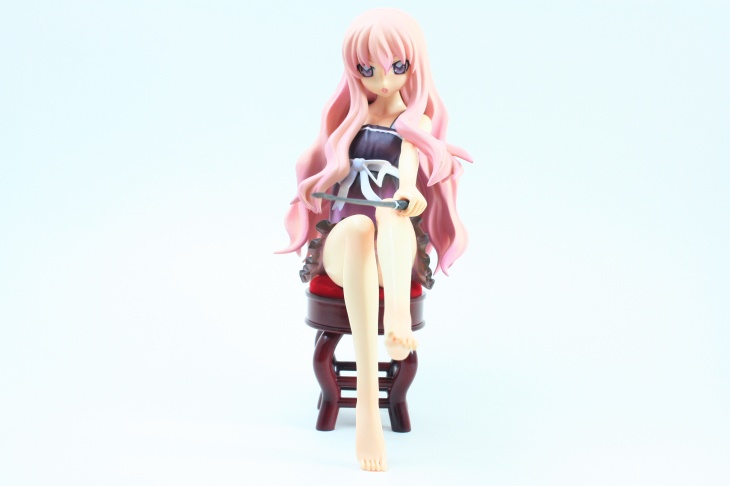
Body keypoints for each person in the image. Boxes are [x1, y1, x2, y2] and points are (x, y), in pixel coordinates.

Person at [278, 8, 472, 472]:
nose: (383, 82)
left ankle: (397, 314)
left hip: (393, 251)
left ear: (413, 65)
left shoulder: (415, 123)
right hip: (343, 246)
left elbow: (408, 170)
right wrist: (312, 178)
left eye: (396, 67)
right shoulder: (348, 120)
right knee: (361, 226)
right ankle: (368, 404)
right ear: (354, 70)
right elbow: (321, 167)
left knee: (388, 217)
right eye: (368, 70)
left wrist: (410, 194)